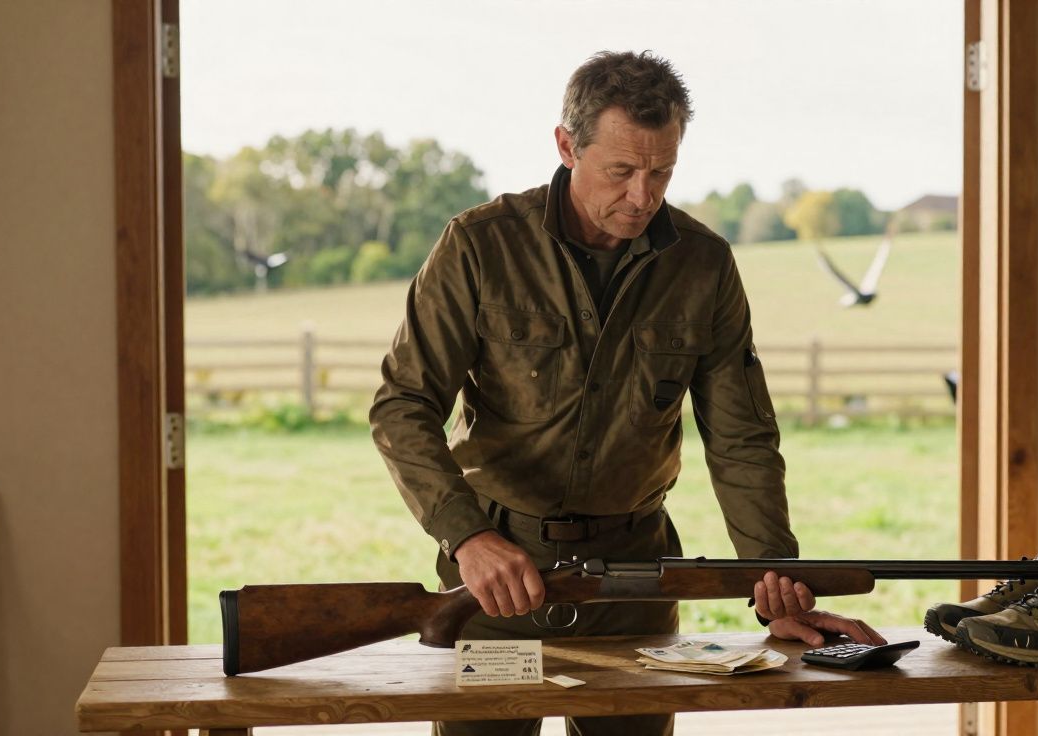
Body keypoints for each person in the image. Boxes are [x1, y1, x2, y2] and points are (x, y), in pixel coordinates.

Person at [369, 51, 882, 736]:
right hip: (495, 575)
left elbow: (741, 439)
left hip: (638, 576)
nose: (643, 196)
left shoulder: (704, 265)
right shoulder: (478, 247)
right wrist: (468, 538)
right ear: (565, 145)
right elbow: (402, 404)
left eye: (662, 171)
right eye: (621, 171)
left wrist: (773, 577)